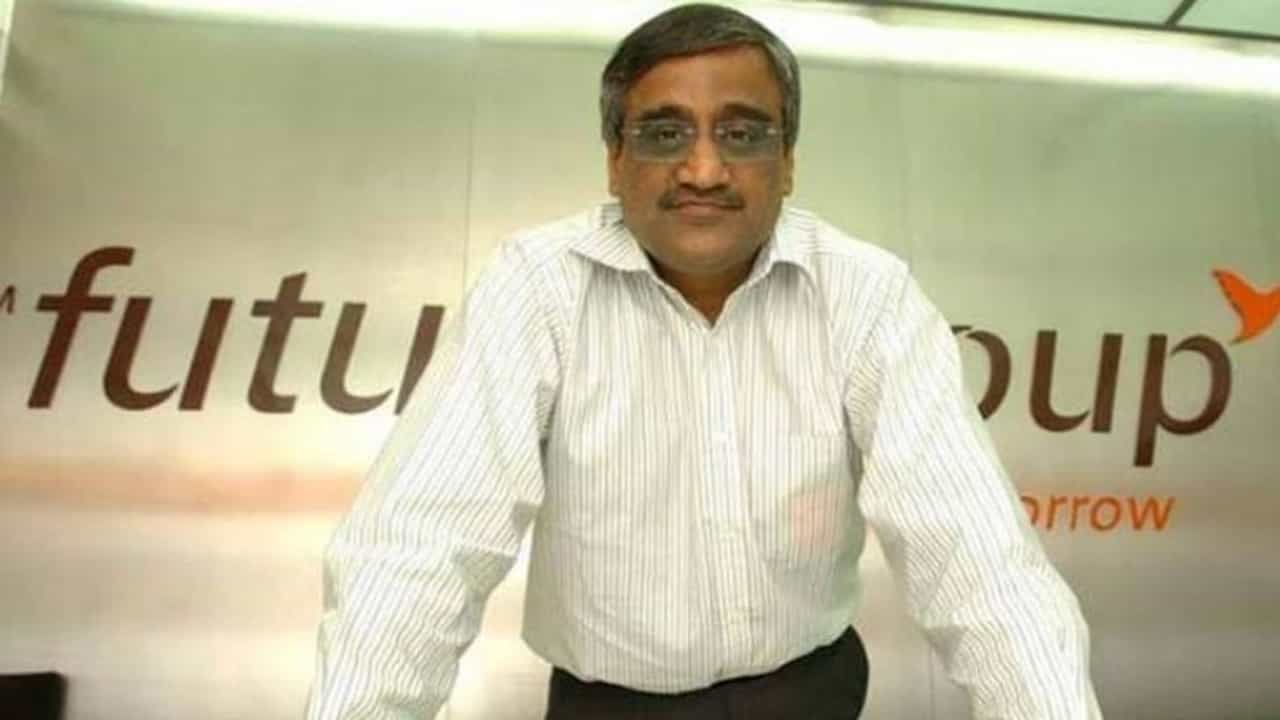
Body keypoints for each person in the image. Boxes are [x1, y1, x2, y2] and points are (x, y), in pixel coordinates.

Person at [306, 4, 1102, 719]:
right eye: (664, 133)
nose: (704, 170)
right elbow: (420, 553)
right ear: (614, 161)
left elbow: (978, 561)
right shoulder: (536, 289)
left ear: (788, 162)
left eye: (743, 134)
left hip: (809, 695)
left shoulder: (867, 295)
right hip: (609, 709)